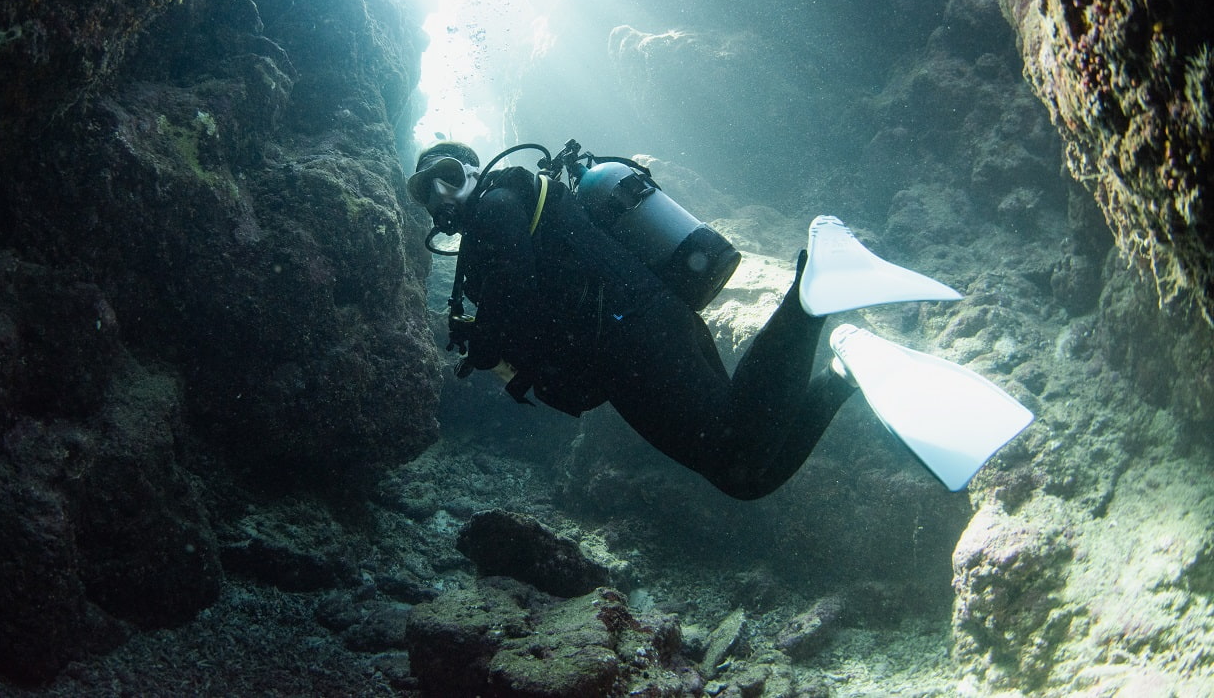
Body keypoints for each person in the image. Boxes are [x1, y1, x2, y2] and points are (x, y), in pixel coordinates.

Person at [406, 140, 1032, 498]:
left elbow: (512, 292)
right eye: (424, 190)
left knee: (735, 449)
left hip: (635, 339)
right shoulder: (511, 215)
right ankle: (842, 370)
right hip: (641, 337)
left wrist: (483, 348)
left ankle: (810, 297)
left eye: (450, 174)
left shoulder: (497, 203)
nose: (441, 194)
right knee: (743, 475)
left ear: (475, 170)